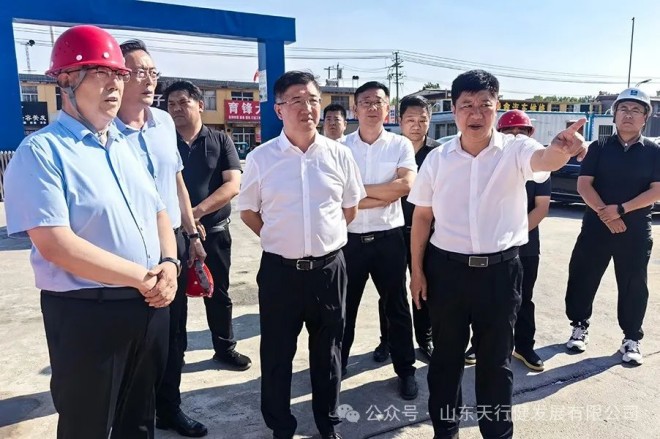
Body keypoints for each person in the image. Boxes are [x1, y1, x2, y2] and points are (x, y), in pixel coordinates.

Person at [4, 25, 178, 438]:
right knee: (88, 425)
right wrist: (144, 278)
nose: (114, 84)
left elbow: (158, 211)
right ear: (66, 80)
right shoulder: (42, 152)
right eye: (100, 73)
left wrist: (170, 263)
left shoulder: (125, 145)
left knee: (140, 420)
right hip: (88, 315)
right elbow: (56, 245)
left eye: (118, 74)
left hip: (148, 307)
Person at [408, 69, 587, 439]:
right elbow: (422, 217)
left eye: (485, 105)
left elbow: (545, 160)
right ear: (454, 109)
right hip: (447, 273)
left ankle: (498, 434)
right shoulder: (438, 159)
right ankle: (446, 431)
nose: (476, 114)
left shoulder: (515, 150)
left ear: (497, 107)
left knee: (495, 364)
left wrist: (561, 149)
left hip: (500, 275)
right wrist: (418, 272)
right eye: (467, 105)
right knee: (445, 362)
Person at [238, 70, 364, 439]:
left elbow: (349, 209)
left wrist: (320, 239)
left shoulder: (340, 155)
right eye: (296, 100)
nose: (306, 107)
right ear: (279, 109)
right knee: (277, 354)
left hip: (329, 270)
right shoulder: (261, 158)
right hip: (280, 272)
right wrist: (281, 238)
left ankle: (328, 422)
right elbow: (248, 212)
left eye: (312, 100)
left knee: (329, 352)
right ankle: (281, 426)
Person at [117, 40, 208, 437]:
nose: (149, 80)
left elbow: (177, 182)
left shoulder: (164, 123)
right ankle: (130, 416)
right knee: (132, 339)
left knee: (173, 334)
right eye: (139, 72)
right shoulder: (102, 129)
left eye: (152, 73)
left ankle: (169, 408)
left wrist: (191, 233)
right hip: (128, 246)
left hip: (172, 242)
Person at [564, 87, 660, 366]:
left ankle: (631, 338)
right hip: (596, 226)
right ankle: (579, 326)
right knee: (583, 276)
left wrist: (621, 210)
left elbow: (656, 190)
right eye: (623, 109)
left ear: (645, 118)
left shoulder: (654, 152)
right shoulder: (599, 147)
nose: (629, 115)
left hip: (635, 229)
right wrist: (606, 215)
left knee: (633, 284)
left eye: (636, 110)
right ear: (614, 115)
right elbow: (584, 185)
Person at [164, 80, 251, 371]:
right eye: (171, 104)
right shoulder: (162, 142)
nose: (176, 109)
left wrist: (195, 215)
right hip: (172, 236)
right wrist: (186, 224)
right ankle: (175, 355)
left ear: (200, 105)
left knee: (218, 293)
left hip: (214, 233)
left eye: (183, 102)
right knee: (174, 298)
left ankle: (225, 349)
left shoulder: (221, 140)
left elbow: (232, 185)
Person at [342, 81, 418, 400]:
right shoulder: (340, 147)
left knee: (396, 307)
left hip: (389, 240)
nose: (372, 107)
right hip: (349, 241)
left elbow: (405, 186)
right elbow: (337, 195)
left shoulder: (400, 145)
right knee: (343, 308)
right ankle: (336, 365)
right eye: (366, 102)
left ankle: (406, 371)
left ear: (388, 109)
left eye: (379, 102)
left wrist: (358, 194)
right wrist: (383, 194)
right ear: (355, 108)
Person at [464, 109, 551, 372]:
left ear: (530, 134)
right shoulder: (489, 163)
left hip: (525, 246)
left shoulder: (538, 163)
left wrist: (515, 236)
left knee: (523, 298)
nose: (515, 135)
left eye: (521, 130)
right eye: (509, 131)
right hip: (491, 247)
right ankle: (479, 344)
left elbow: (541, 208)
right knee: (485, 299)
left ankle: (523, 346)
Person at [372, 95, 437, 363]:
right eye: (410, 119)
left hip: (429, 233)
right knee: (391, 290)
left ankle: (425, 338)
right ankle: (387, 339)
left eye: (423, 120)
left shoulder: (438, 154)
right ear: (400, 121)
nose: (416, 125)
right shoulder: (390, 150)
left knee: (423, 286)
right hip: (394, 232)